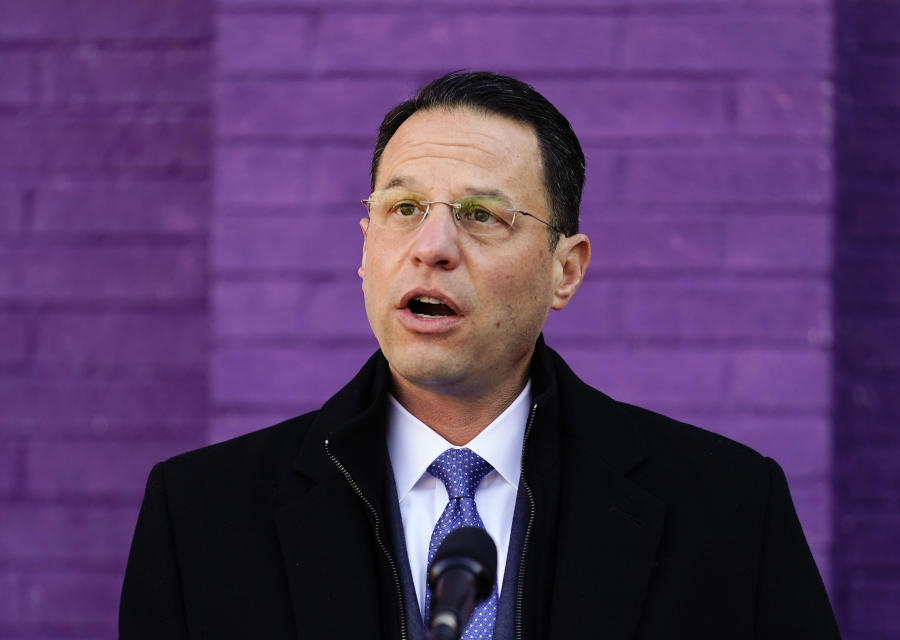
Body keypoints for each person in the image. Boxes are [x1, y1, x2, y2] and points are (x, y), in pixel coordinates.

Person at [119, 71, 840, 639]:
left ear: (566, 269)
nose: (431, 248)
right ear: (365, 249)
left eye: (480, 216)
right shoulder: (201, 516)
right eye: (404, 210)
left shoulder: (729, 511)